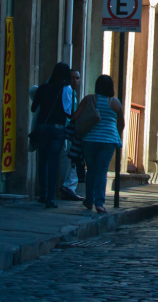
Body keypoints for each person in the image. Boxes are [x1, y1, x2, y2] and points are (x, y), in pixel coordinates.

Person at [77, 75, 125, 213]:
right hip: (108, 140)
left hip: (89, 139)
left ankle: (89, 200)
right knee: (102, 171)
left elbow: (77, 116)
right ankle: (99, 203)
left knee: (91, 170)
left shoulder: (89, 99)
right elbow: (121, 123)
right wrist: (116, 134)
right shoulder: (115, 103)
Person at [31, 63, 73, 208]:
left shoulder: (42, 88)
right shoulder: (66, 89)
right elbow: (68, 111)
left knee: (42, 160)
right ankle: (50, 198)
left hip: (42, 128)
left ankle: (42, 194)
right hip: (58, 129)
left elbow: (33, 108)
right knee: (54, 162)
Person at [59, 69, 84, 201]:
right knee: (69, 159)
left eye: (77, 78)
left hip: (70, 131)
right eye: (73, 78)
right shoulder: (67, 90)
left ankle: (68, 187)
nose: (75, 80)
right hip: (67, 131)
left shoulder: (73, 93)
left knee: (71, 160)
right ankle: (67, 186)